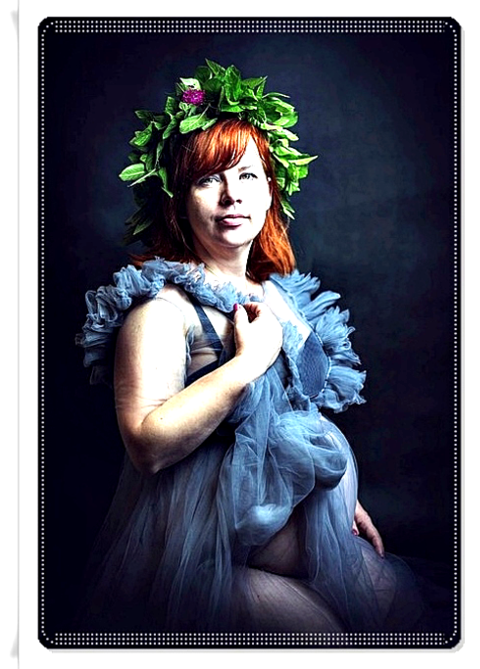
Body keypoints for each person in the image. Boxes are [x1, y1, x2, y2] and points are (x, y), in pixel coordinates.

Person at [75, 60, 427, 634]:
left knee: (400, 611)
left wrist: (339, 503)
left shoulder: (279, 296)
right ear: (178, 200)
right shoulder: (162, 310)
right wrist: (246, 364)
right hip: (211, 555)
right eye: (208, 179)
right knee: (324, 637)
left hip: (306, 530)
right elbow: (147, 446)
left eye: (247, 176)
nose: (231, 195)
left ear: (270, 193)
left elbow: (293, 417)